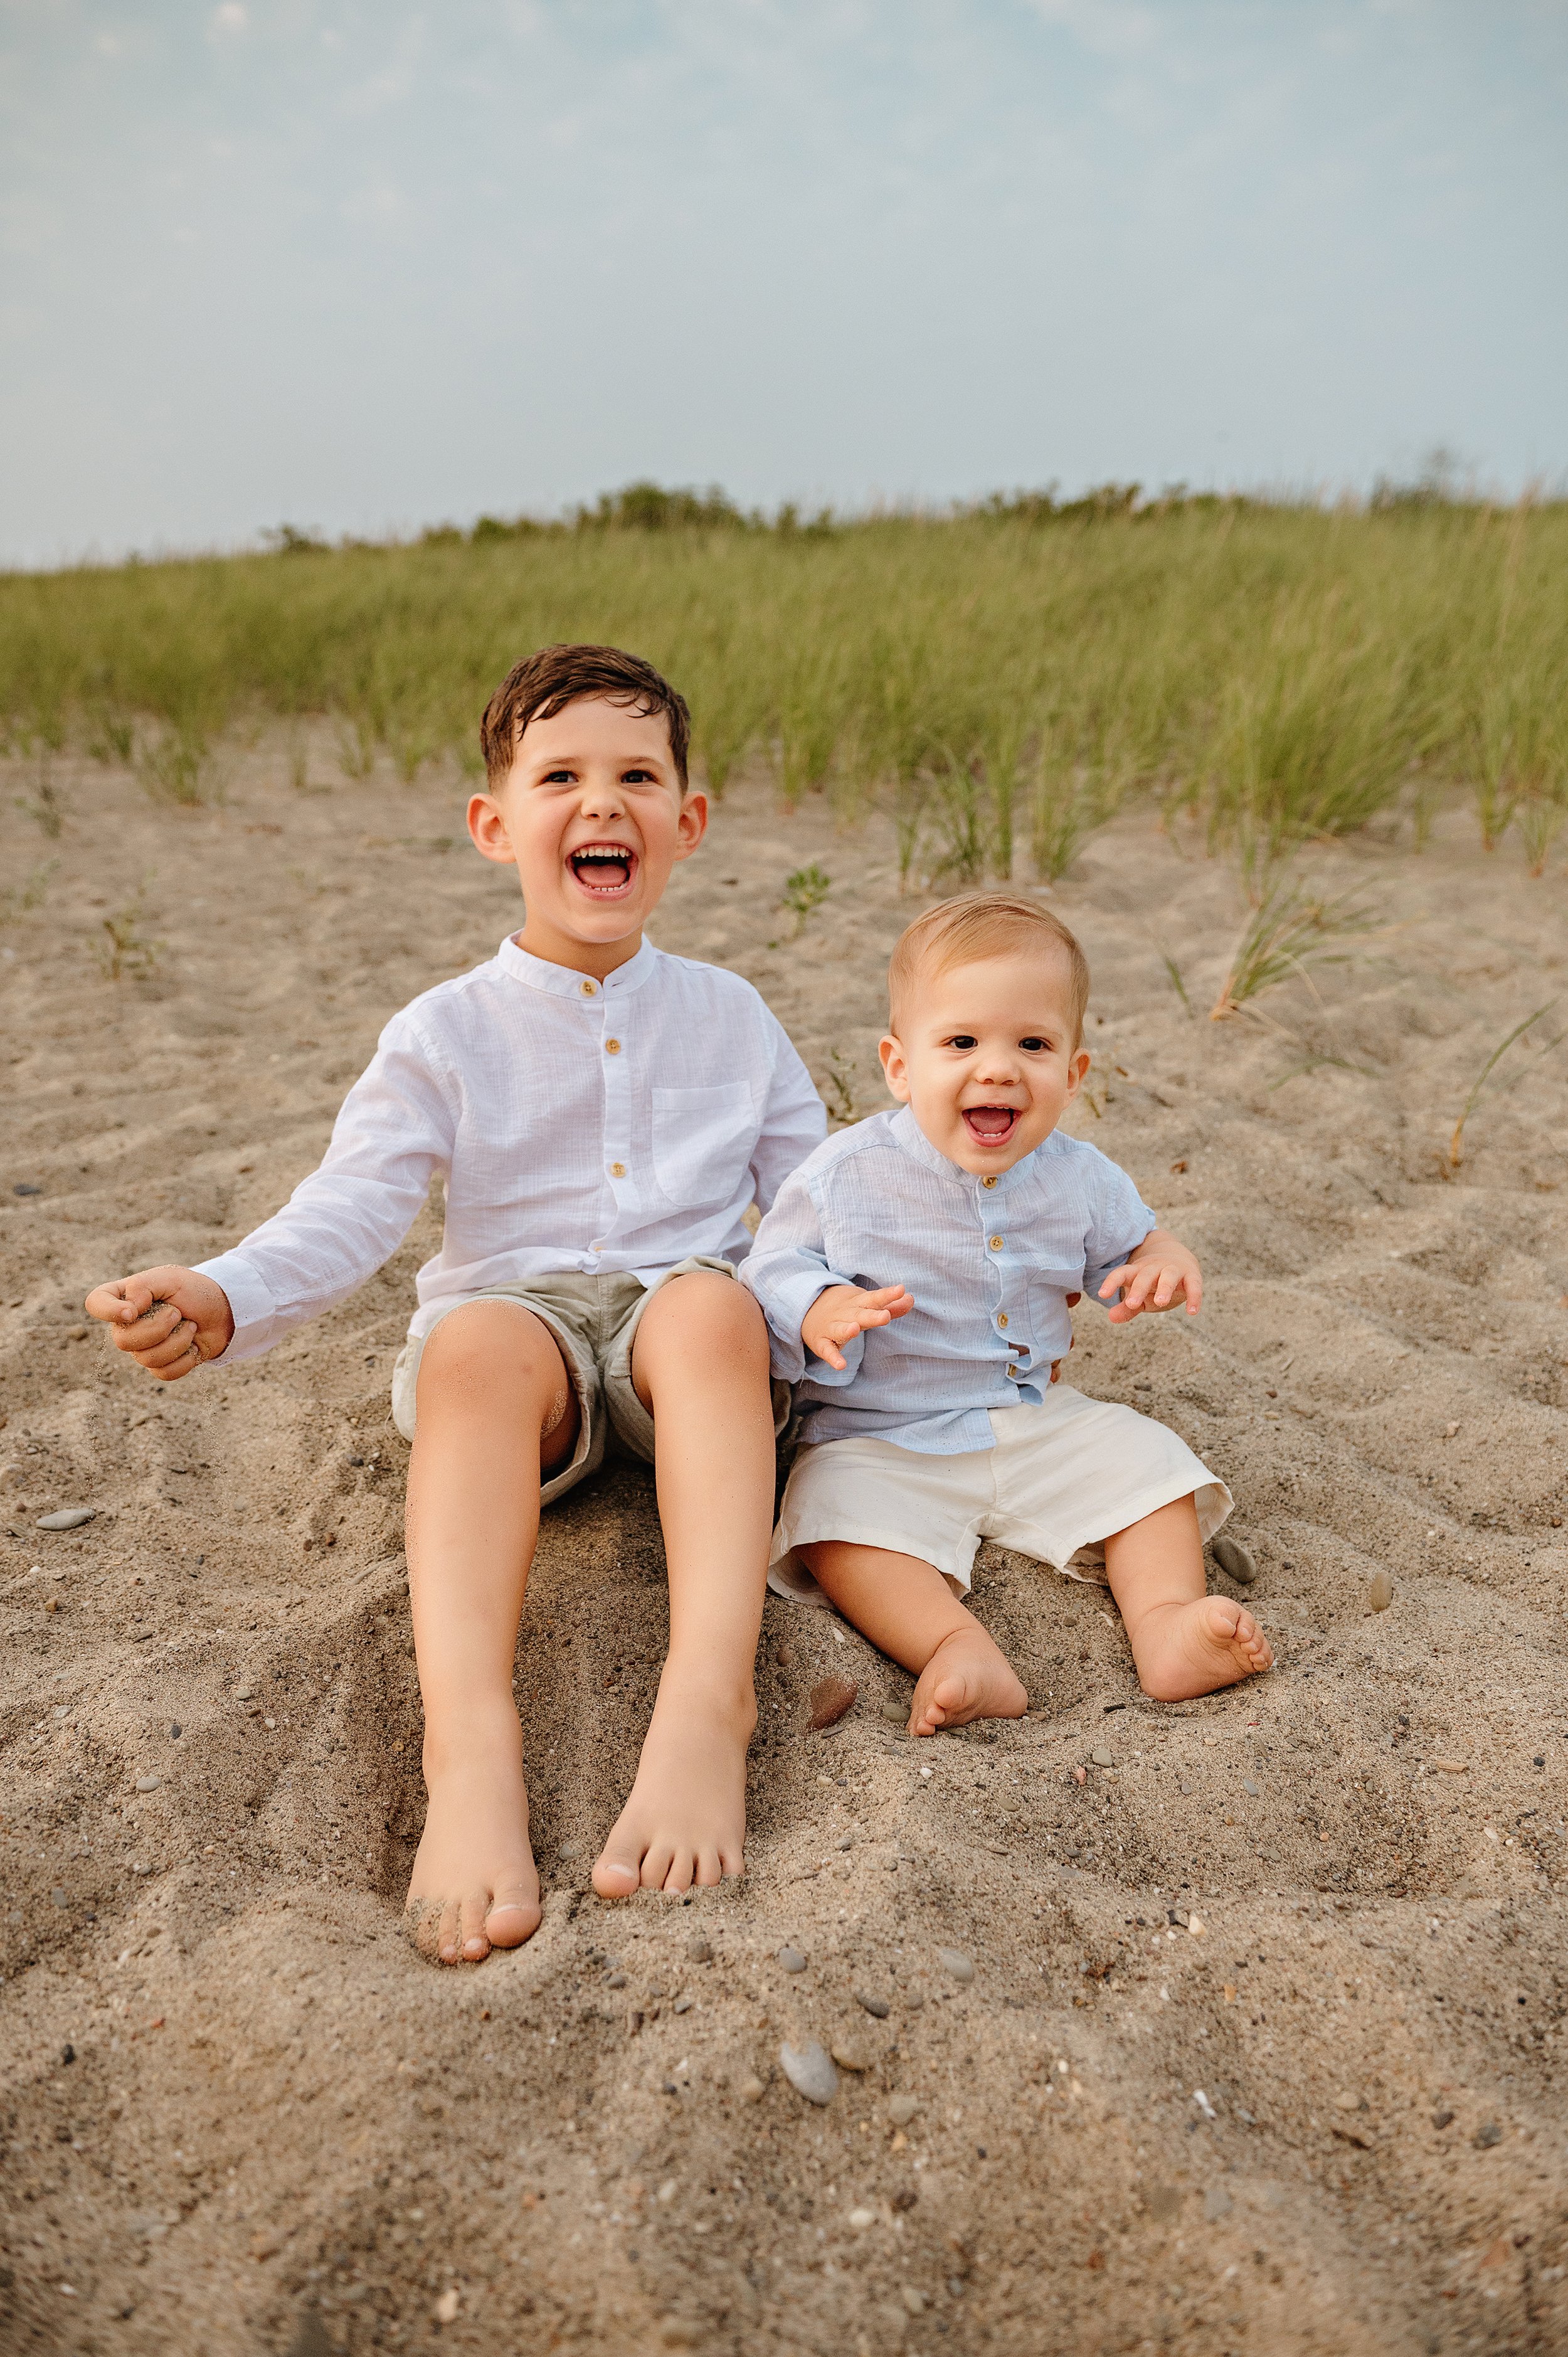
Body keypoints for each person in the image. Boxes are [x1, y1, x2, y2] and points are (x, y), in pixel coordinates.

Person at [86, 644, 825, 1962]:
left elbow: (820, 1203)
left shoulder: (731, 1015)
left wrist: (885, 1292)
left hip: (679, 1344)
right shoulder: (445, 1029)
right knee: (474, 1339)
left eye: (637, 776)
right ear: (497, 827)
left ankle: (707, 1702)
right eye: (561, 777)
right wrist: (225, 1290)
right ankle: (468, 1748)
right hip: (521, 1344)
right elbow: (353, 1206)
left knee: (719, 1308)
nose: (601, 803)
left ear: (686, 824)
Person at [741, 890, 1273, 1736]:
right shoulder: (846, 1174)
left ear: (1074, 1070)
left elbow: (1130, 1242)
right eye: (961, 1042)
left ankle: (1168, 1621)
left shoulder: (1080, 1175)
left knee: (1149, 1463)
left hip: (1030, 1418)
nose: (997, 1068)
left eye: (1032, 1043)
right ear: (900, 1064)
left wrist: (1159, 1260)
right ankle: (955, 1645)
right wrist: (819, 1306)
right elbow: (771, 1263)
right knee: (829, 1521)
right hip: (881, 1436)